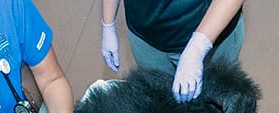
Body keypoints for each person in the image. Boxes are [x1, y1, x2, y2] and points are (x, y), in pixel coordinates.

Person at [100, 0, 245, 101]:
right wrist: (108, 23)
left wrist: (198, 46)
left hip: (207, 33)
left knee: (216, 105)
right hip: (146, 35)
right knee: (161, 103)